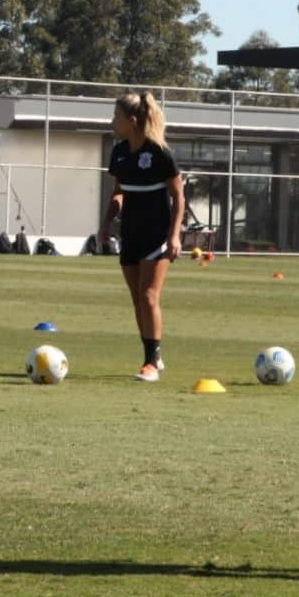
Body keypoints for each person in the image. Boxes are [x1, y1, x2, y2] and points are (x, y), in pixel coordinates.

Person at [99, 91, 184, 382]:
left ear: (132, 121)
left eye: (116, 117)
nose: (112, 122)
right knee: (137, 300)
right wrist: (106, 223)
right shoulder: (120, 152)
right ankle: (152, 354)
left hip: (156, 235)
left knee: (149, 297)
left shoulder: (159, 152)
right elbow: (119, 192)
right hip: (130, 234)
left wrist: (174, 236)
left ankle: (151, 361)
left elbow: (178, 195)